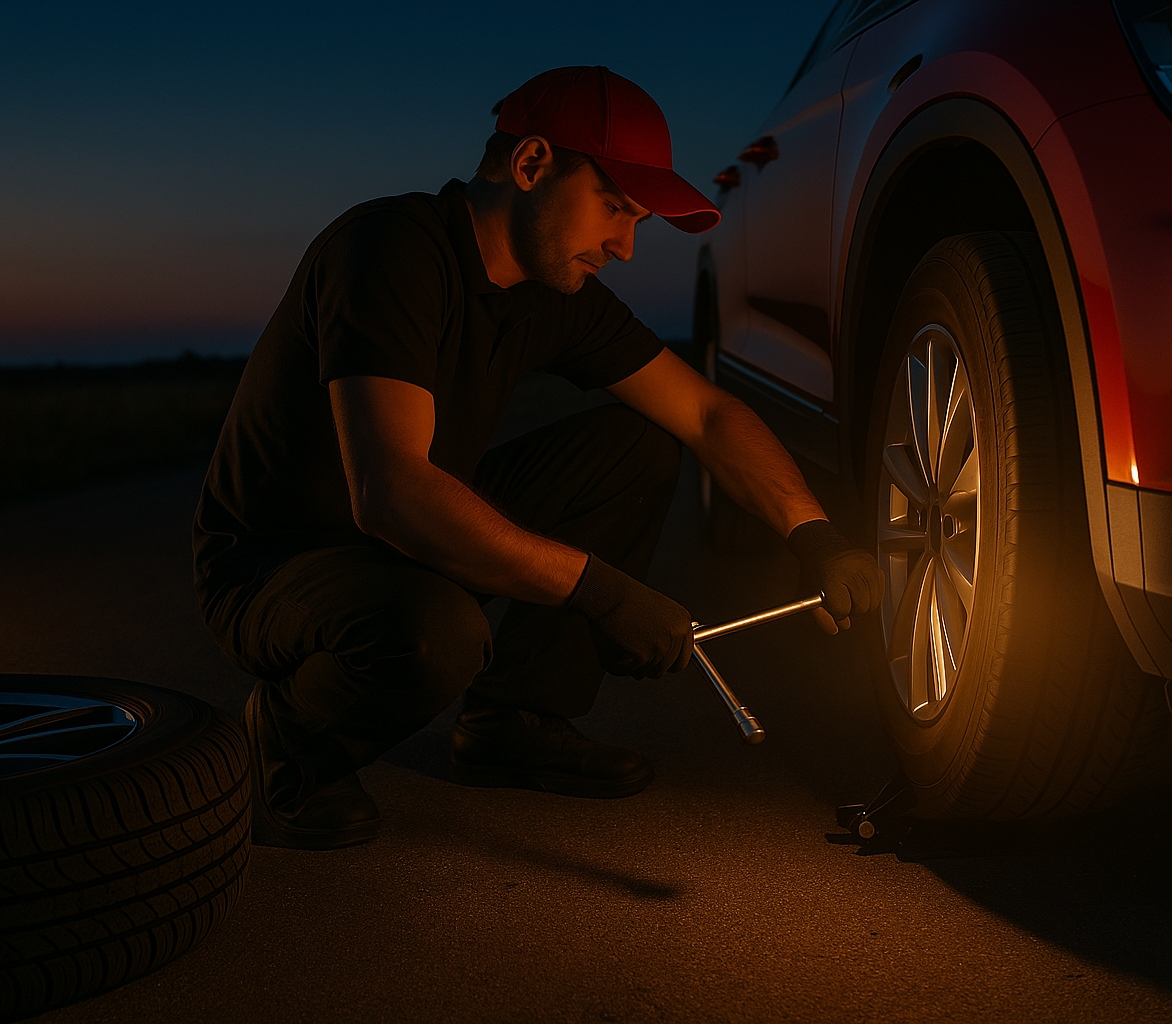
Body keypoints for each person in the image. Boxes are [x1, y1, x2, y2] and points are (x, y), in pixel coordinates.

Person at [193, 66, 884, 850]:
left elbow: (707, 413)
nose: (625, 247)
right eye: (614, 208)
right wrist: (600, 592)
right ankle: (291, 742)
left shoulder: (551, 293)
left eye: (636, 222)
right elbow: (390, 493)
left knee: (637, 446)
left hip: (400, 536)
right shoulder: (389, 248)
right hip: (276, 565)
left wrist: (813, 533)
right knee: (439, 634)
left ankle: (513, 722)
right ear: (530, 165)